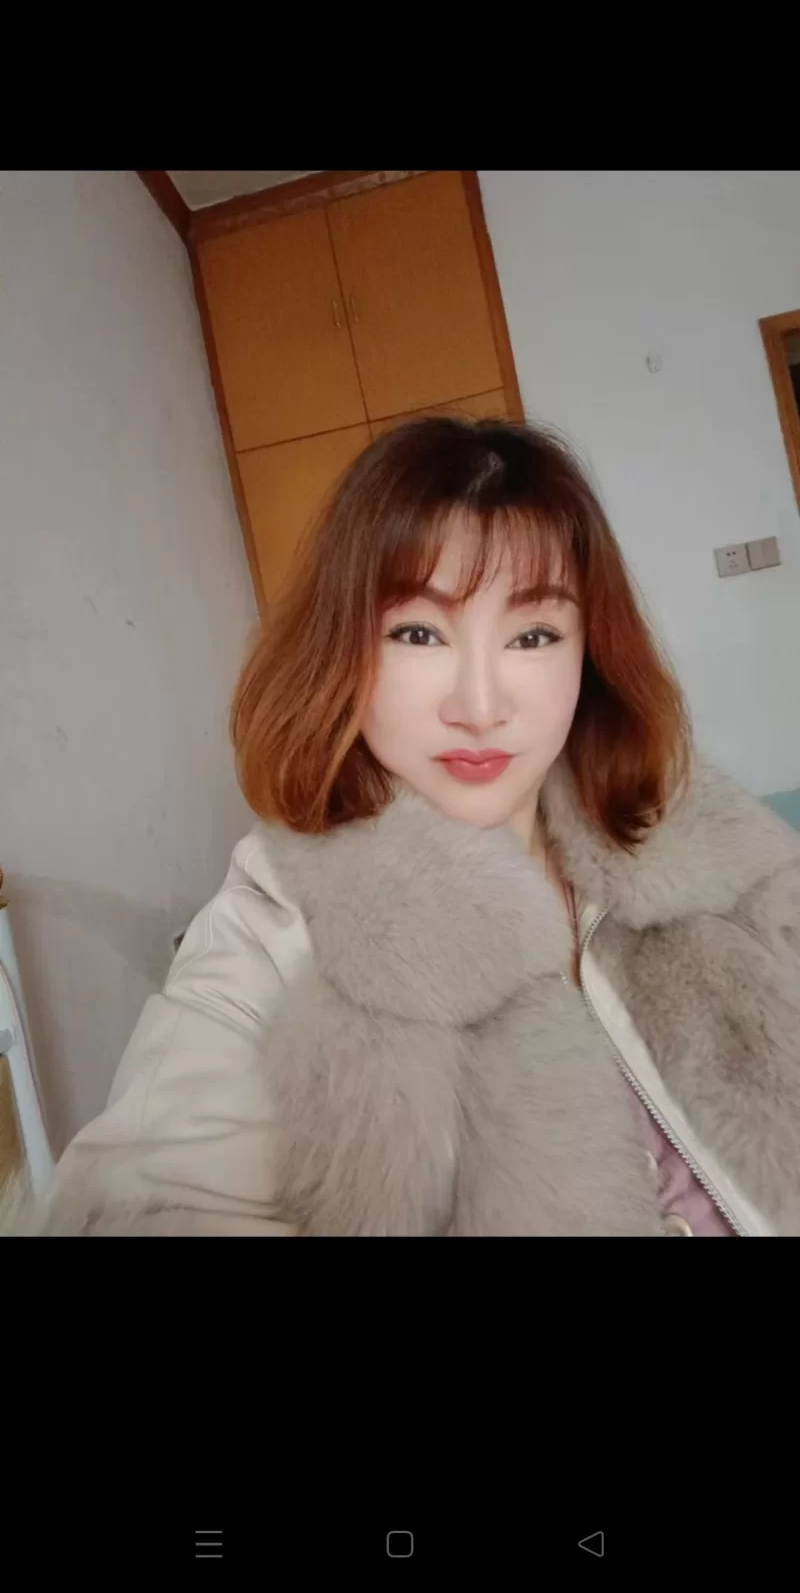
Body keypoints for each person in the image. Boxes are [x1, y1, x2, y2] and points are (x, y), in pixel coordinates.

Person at [14, 417, 800, 1235]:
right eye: (418, 633)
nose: (480, 706)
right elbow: (138, 1207)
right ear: (345, 650)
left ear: (589, 654)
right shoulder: (277, 929)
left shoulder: (704, 846)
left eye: (533, 634)